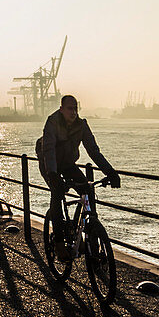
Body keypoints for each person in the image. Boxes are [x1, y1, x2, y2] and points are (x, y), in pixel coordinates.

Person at [37, 94, 120, 262]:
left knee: (87, 189)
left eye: (76, 108)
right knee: (57, 194)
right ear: (61, 109)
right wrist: (53, 175)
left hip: (67, 163)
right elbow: (49, 150)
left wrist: (110, 172)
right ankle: (59, 242)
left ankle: (85, 233)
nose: (73, 112)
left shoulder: (81, 125)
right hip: (48, 162)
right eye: (69, 108)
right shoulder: (52, 122)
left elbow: (93, 151)